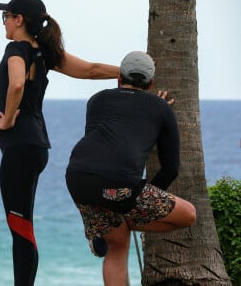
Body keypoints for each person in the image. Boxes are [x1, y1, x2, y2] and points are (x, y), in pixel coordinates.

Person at [0, 0, 119, 286]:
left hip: (20, 146)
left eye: (6, 17)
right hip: (37, 147)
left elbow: (16, 83)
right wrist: (129, 74)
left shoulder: (16, 49)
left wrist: (10, 118)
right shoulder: (46, 52)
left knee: (20, 228)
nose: (4, 22)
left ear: (19, 20)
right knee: (23, 226)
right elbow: (90, 70)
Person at [65, 51, 196, 286]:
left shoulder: (97, 100)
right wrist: (138, 201)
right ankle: (115, 222)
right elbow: (171, 168)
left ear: (119, 78)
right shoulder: (160, 107)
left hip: (78, 177)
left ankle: (104, 228)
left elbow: (103, 139)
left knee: (117, 243)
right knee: (188, 215)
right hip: (120, 187)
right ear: (151, 83)